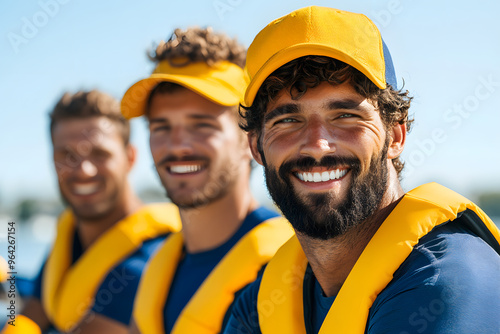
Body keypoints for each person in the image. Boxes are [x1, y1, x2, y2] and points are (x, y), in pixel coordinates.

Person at [224, 6, 500, 334]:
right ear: (256, 147)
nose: (316, 145)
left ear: (395, 135)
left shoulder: (443, 283)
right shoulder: (264, 302)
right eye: (288, 120)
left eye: (345, 116)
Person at [120, 27, 293, 334]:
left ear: (250, 139)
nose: (177, 146)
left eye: (201, 126)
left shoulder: (287, 267)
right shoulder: (159, 268)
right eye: (161, 127)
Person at [2, 90, 181, 334]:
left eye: (99, 154)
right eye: (67, 155)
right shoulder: (70, 236)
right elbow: (35, 309)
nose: (83, 170)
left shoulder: (148, 260)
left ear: (130, 158)